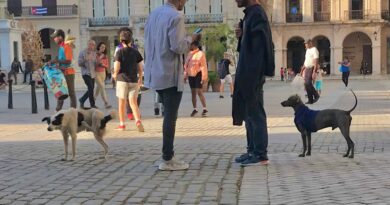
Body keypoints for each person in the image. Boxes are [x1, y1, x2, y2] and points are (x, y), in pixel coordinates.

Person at [144, 0, 197, 171]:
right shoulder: (176, 16)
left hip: (155, 71)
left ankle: (168, 155)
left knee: (167, 113)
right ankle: (167, 158)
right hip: (169, 73)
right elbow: (178, 46)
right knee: (170, 117)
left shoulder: (153, 14)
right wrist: (190, 39)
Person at [233, 0, 274, 166]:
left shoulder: (257, 14)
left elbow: (260, 48)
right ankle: (252, 149)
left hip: (252, 72)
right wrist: (241, 36)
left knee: (255, 112)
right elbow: (248, 46)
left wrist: (253, 74)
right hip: (248, 71)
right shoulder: (251, 14)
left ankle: (260, 154)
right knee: (248, 112)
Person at [113, 29, 144, 132]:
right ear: (131, 40)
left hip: (122, 80)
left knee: (121, 103)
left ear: (121, 41)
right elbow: (140, 68)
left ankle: (122, 125)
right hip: (133, 80)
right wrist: (140, 78)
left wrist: (114, 75)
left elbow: (117, 67)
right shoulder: (136, 52)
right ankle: (138, 121)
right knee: (133, 103)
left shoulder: (119, 52)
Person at [51, 29, 77, 111]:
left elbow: (68, 61)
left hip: (69, 73)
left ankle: (73, 111)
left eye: (55, 37)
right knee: (60, 92)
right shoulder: (61, 47)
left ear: (60, 37)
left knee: (71, 93)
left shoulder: (66, 46)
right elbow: (60, 60)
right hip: (62, 73)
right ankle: (58, 110)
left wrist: (57, 60)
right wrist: (52, 63)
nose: (54, 39)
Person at [184, 41, 208, 117]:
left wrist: (204, 77)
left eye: (190, 45)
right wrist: (185, 75)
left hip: (198, 74)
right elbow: (186, 65)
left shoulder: (201, 54)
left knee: (199, 91)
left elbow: (204, 66)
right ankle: (195, 109)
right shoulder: (189, 54)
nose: (189, 46)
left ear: (194, 45)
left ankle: (204, 108)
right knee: (193, 92)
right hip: (191, 75)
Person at [78, 40, 98, 109]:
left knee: (91, 89)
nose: (91, 46)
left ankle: (82, 100)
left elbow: (95, 63)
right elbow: (79, 64)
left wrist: (99, 63)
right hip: (85, 73)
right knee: (90, 88)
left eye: (93, 44)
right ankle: (92, 105)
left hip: (92, 74)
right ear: (88, 44)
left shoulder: (94, 53)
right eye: (90, 44)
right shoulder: (82, 53)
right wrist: (86, 59)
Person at [300, 39, 320, 104]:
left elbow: (316, 61)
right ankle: (310, 100)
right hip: (307, 68)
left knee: (308, 83)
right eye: (305, 44)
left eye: (306, 44)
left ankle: (316, 95)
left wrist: (314, 71)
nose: (305, 45)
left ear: (310, 43)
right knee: (306, 84)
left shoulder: (314, 50)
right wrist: (302, 70)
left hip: (311, 68)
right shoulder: (307, 50)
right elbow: (306, 61)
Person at [95, 42, 112, 108]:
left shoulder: (105, 56)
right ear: (99, 47)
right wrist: (100, 58)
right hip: (96, 73)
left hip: (103, 73)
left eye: (104, 47)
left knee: (98, 88)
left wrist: (103, 65)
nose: (103, 48)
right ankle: (106, 103)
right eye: (102, 47)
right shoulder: (96, 55)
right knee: (102, 87)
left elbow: (107, 65)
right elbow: (94, 64)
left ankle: (93, 99)